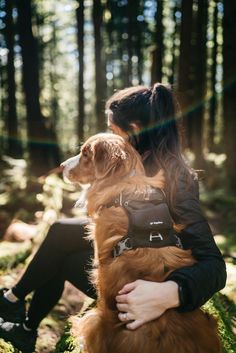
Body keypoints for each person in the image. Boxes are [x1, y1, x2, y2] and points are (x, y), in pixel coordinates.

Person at [0, 83, 226, 352]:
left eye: (112, 129)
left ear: (134, 129)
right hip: (128, 260)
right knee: (61, 232)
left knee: (63, 259)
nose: (110, 135)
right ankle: (15, 308)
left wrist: (172, 293)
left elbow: (215, 267)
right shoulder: (133, 160)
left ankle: (19, 318)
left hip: (144, 290)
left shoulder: (177, 180)